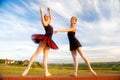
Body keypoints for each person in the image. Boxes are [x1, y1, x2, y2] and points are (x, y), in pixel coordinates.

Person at [22, 6, 58, 77]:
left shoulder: (50, 23)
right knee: (36, 54)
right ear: (44, 18)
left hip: (49, 41)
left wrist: (49, 12)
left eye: (48, 16)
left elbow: (51, 18)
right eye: (46, 16)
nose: (47, 17)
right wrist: (41, 10)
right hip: (45, 39)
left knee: (45, 57)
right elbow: (42, 16)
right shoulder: (44, 23)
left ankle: (46, 72)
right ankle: (27, 69)